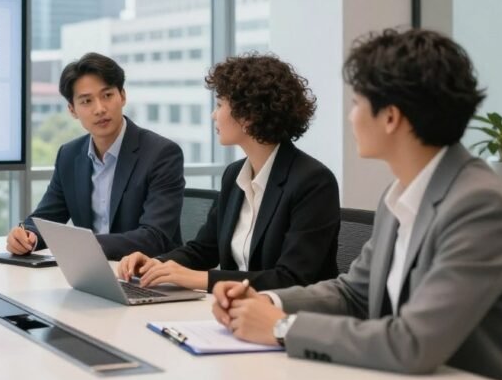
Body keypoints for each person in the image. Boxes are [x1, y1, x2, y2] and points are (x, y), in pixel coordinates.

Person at [212, 29, 502, 380]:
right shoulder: (400, 193)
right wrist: (265, 301)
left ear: (390, 117)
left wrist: (282, 327)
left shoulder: (478, 205)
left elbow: (413, 342)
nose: (351, 117)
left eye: (357, 103)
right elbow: (353, 293)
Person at [118, 54, 340, 292]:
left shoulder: (313, 182)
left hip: (289, 319)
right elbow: (204, 249)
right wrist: (157, 264)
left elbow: (292, 279)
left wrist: (201, 280)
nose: (214, 115)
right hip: (234, 310)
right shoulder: (234, 175)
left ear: (249, 115)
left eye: (220, 104)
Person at [6, 52, 185, 260]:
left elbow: (155, 237)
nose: (99, 109)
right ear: (72, 110)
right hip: (92, 273)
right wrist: (27, 236)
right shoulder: (69, 155)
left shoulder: (161, 154)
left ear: (123, 96)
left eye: (107, 95)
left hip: (147, 276)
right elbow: (46, 218)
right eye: (86, 101)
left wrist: (84, 245)